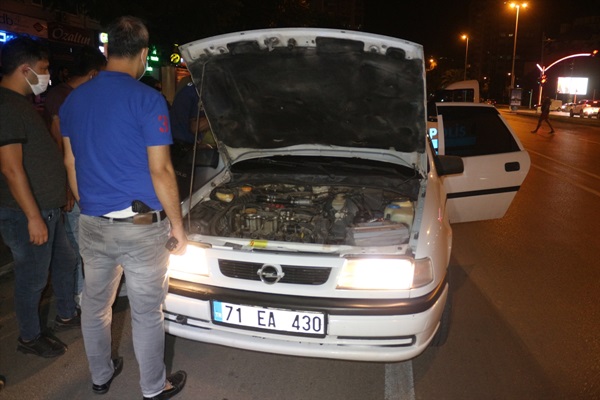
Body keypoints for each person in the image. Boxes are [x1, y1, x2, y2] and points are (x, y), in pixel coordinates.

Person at [59, 16, 188, 400]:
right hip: (141, 227)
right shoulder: (148, 99)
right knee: (148, 312)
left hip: (92, 223)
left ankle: (101, 375)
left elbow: (70, 163)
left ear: (106, 50)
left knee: (96, 305)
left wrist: (93, 206)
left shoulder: (73, 99)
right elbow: (161, 169)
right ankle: (153, 387)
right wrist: (178, 228)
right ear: (144, 55)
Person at [0, 36, 80, 359]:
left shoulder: (20, 103)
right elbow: (11, 168)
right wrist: (33, 216)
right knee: (32, 278)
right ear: (25, 69)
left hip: (48, 208)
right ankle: (30, 336)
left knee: (66, 260)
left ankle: (65, 313)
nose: (48, 75)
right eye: (44, 69)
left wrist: (59, 192)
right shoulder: (6, 106)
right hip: (26, 213)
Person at [43, 46, 107, 307]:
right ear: (93, 74)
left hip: (82, 181)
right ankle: (82, 299)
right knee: (81, 246)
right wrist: (68, 189)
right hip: (73, 184)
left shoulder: (69, 95)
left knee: (84, 244)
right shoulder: (66, 98)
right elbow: (61, 148)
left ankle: (85, 297)